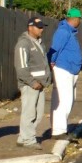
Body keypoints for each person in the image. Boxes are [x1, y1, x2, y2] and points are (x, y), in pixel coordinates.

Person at [14, 16, 53, 150]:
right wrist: (32, 82)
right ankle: (28, 139)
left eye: (42, 27)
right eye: (39, 27)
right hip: (30, 84)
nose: (41, 29)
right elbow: (21, 67)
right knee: (29, 112)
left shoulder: (39, 42)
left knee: (38, 112)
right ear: (30, 27)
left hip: (40, 84)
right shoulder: (23, 44)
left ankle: (23, 137)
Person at [47, 8, 82, 142]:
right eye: (80, 19)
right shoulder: (63, 31)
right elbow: (54, 49)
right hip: (63, 69)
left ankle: (60, 129)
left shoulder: (70, 32)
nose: (80, 21)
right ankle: (59, 131)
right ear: (75, 19)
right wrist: (51, 62)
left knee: (67, 100)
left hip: (71, 70)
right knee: (64, 101)